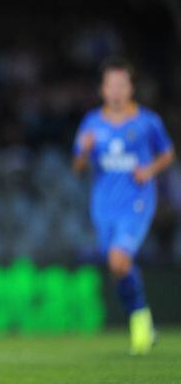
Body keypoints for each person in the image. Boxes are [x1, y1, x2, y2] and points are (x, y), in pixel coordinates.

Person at [72, 58, 175, 355]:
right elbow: (77, 166)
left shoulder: (147, 122)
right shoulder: (91, 123)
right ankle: (143, 320)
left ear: (130, 88)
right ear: (102, 89)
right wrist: (85, 151)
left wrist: (149, 171)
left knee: (119, 259)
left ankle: (140, 324)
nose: (116, 90)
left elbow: (167, 154)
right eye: (111, 85)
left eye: (122, 84)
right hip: (103, 206)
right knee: (118, 267)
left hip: (137, 201)